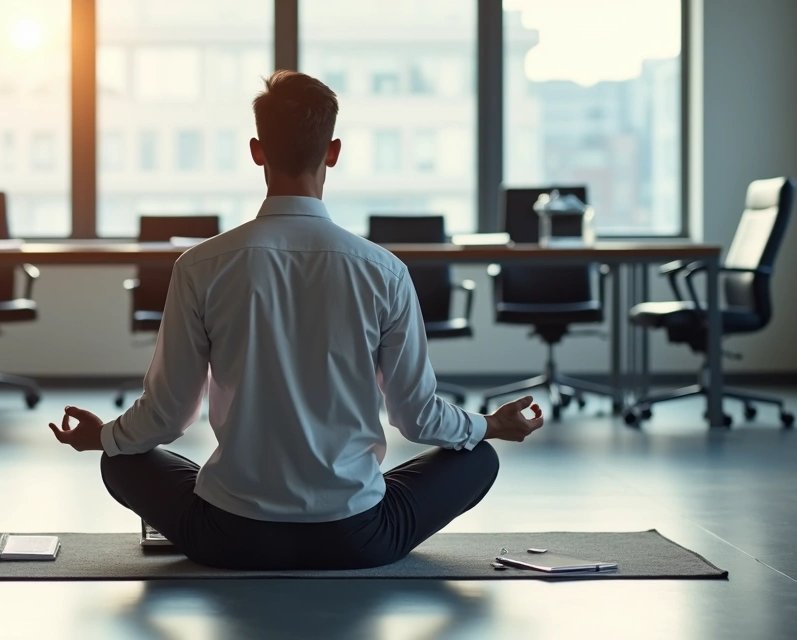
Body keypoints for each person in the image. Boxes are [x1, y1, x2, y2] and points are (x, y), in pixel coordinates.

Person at [49, 70, 544, 571]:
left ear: (256, 150)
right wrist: (489, 424)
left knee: (120, 459)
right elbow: (417, 418)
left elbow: (170, 415)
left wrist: (104, 435)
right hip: (358, 538)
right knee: (478, 456)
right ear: (333, 151)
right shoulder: (385, 271)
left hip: (227, 537)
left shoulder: (201, 266)